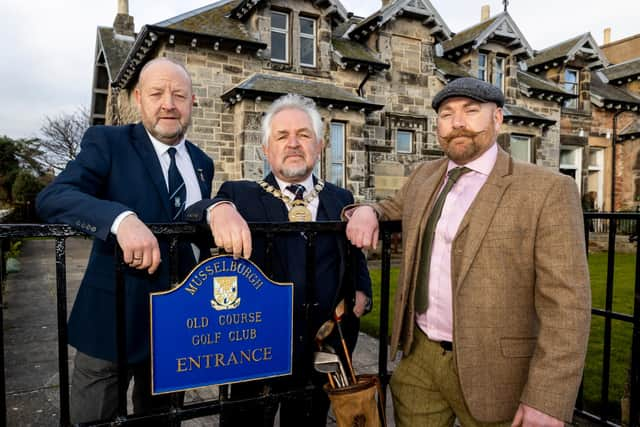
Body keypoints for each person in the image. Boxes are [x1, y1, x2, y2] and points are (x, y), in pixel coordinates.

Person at [345, 77, 591, 427]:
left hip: (498, 373)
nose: (457, 123)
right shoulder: (424, 177)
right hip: (420, 359)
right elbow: (387, 208)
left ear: (498, 118)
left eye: (471, 111)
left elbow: (567, 305)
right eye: (447, 114)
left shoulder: (548, 190)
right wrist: (366, 211)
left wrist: (548, 400)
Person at [36, 58, 214, 424]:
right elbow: (54, 198)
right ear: (138, 99)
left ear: (192, 101)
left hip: (174, 328)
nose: (169, 103)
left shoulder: (202, 163)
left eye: (179, 94)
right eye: (157, 93)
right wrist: (120, 219)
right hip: (110, 325)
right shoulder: (108, 142)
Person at [185, 93, 372, 426]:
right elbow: (189, 218)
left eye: (303, 135)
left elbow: (352, 252)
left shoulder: (340, 197)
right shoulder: (239, 195)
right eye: (282, 136)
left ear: (319, 145)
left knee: (309, 421)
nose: (293, 144)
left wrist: (362, 287)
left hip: (322, 345)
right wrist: (217, 209)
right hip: (257, 350)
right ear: (267, 148)